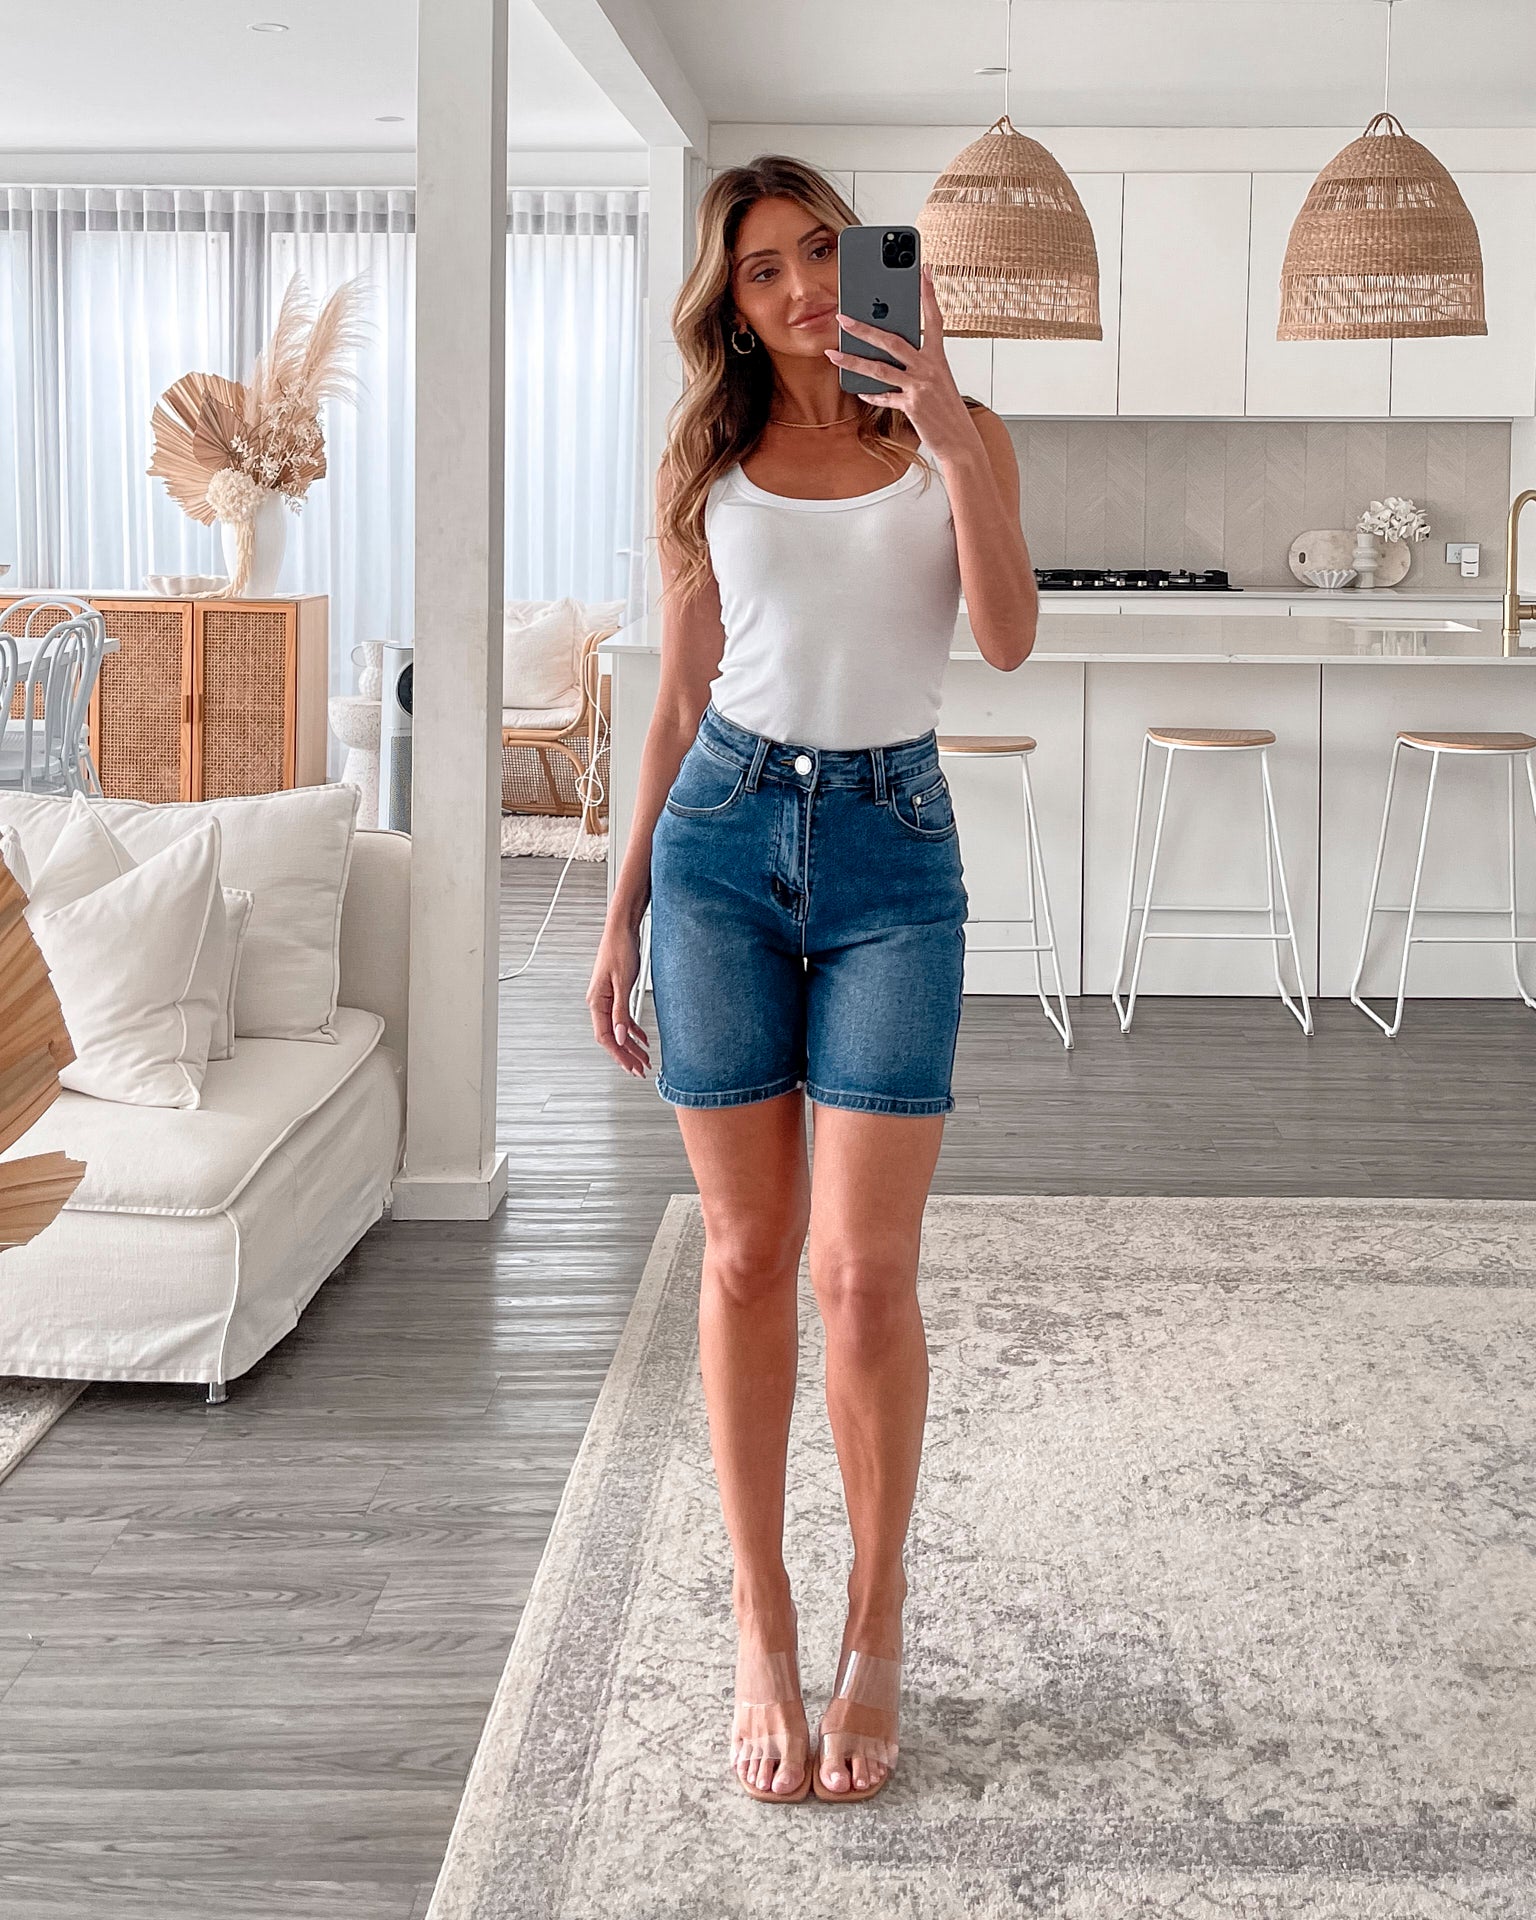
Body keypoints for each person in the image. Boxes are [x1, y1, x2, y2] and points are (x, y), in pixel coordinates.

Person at [586, 155, 1038, 1804]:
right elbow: (676, 694)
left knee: (861, 1273)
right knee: (745, 1249)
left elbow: (1004, 639)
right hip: (717, 846)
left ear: (869, 264)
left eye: (822, 254)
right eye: (764, 269)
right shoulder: (706, 459)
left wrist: (954, 432)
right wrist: (621, 905)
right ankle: (763, 1621)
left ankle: (878, 1607)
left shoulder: (952, 437)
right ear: (733, 297)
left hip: (894, 855)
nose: (798, 292)